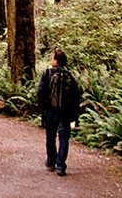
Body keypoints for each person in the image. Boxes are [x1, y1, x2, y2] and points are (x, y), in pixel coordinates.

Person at [36, 49, 81, 177]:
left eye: (52, 58)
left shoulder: (48, 73)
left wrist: (42, 107)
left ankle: (51, 161)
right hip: (65, 113)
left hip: (50, 110)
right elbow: (76, 96)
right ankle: (61, 166)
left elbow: (40, 91)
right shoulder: (70, 76)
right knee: (64, 139)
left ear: (56, 60)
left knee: (50, 137)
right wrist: (74, 115)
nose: (51, 60)